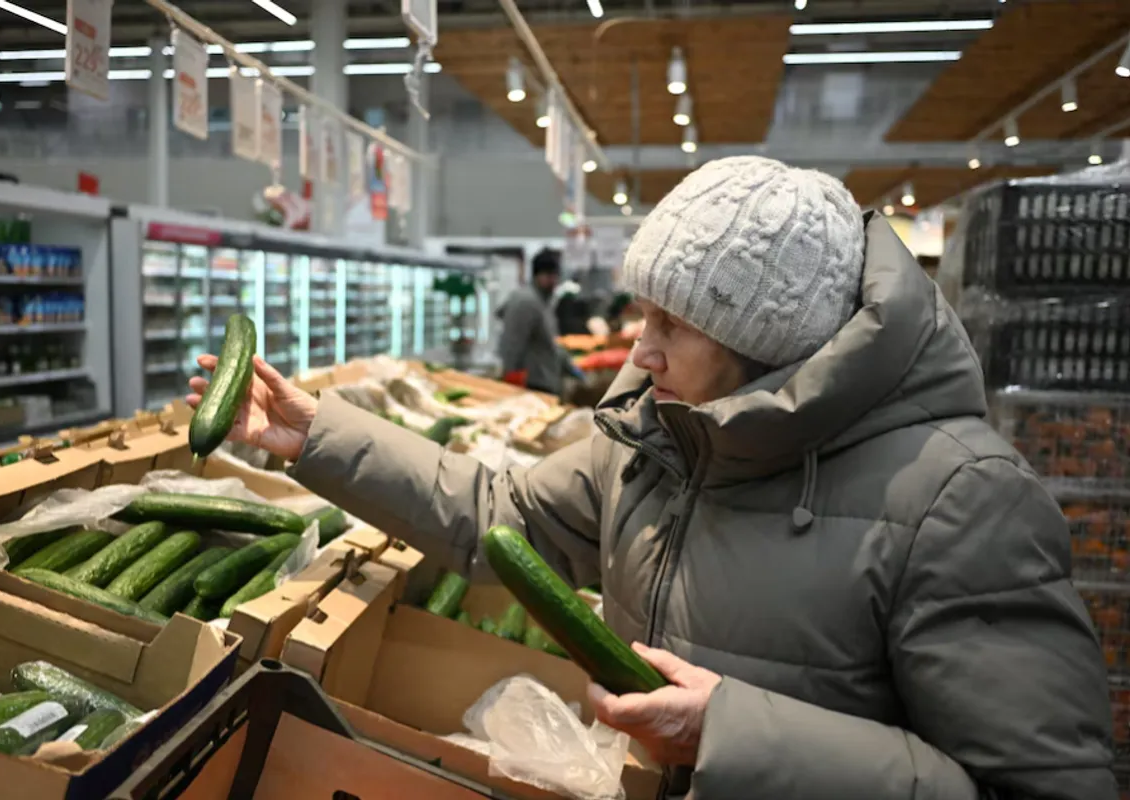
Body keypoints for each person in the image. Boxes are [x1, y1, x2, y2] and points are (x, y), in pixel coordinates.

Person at [188, 156, 1115, 799]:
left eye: (673, 323)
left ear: (773, 343)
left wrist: (732, 734)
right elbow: (501, 518)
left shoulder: (964, 501)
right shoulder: (659, 440)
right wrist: (321, 435)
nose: (639, 350)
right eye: (644, 312)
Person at [496, 247, 575, 393]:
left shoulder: (543, 301)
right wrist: (511, 380)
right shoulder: (526, 302)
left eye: (555, 276)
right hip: (532, 384)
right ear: (538, 275)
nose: (554, 281)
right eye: (549, 276)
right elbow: (513, 344)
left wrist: (567, 365)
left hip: (545, 380)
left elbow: (550, 341)